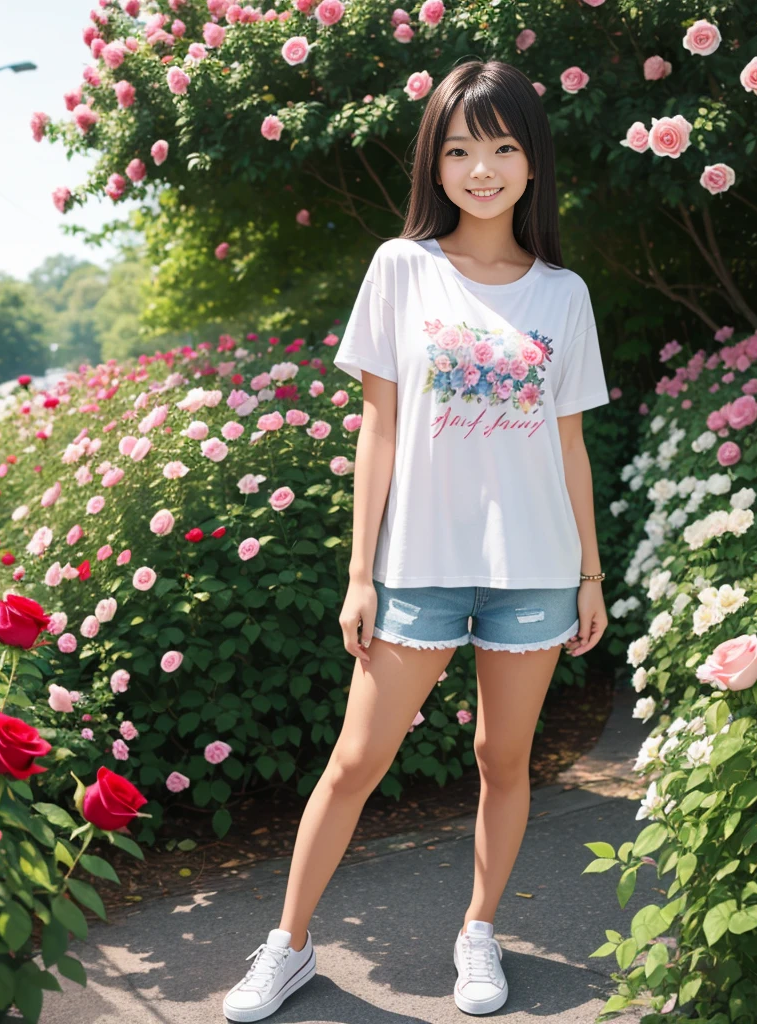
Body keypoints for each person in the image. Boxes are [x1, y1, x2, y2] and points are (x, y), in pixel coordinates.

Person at [223, 56, 610, 1021]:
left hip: (534, 571)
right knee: (356, 762)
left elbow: (570, 445)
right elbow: (380, 430)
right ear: (435, 164)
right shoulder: (403, 269)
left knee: (502, 761)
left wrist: (591, 574)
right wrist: (361, 574)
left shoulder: (563, 294)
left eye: (504, 146)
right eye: (461, 148)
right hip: (418, 568)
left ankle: (478, 933)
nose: (483, 168)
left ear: (533, 163)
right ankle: (289, 946)